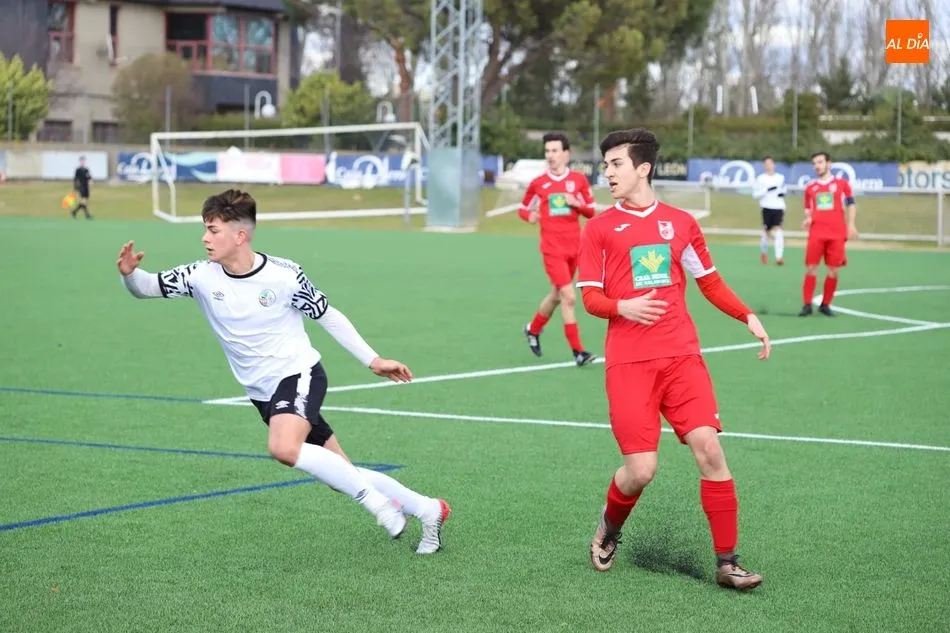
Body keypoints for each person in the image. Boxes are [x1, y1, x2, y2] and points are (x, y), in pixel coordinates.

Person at [115, 189, 450, 554]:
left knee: (282, 447)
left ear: (239, 235)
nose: (204, 238)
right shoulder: (199, 276)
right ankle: (428, 509)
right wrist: (130, 275)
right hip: (263, 395)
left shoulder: (283, 276)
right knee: (341, 473)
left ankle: (378, 504)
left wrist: (372, 360)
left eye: (213, 230)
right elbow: (147, 287)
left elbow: (328, 315)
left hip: (299, 376)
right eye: (205, 230)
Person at [576, 128, 770, 590]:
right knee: (641, 471)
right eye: (604, 166)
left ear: (643, 168)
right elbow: (589, 297)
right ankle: (611, 526)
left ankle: (728, 563)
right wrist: (623, 306)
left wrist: (748, 315)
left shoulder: (681, 223)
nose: (608, 173)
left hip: (681, 356)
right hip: (629, 363)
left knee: (709, 448)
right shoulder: (599, 227)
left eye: (616, 164)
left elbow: (710, 281)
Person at [519, 132, 597, 366]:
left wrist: (577, 203)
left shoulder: (579, 180)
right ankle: (578, 352)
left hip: (575, 247)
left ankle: (533, 329)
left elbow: (591, 210)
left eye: (555, 151)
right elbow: (522, 208)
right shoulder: (538, 183)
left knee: (556, 295)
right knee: (569, 296)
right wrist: (530, 215)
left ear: (566, 154)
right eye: (547, 151)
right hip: (551, 249)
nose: (550, 156)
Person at [798, 152, 859, 317]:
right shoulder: (810, 188)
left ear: (828, 164)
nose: (817, 166)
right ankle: (806, 304)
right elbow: (808, 208)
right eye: (814, 163)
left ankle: (825, 304)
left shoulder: (842, 184)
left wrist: (851, 224)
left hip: (837, 234)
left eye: (820, 162)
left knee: (833, 270)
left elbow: (851, 204)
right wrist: (808, 218)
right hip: (817, 233)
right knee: (811, 267)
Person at [752, 156, 786, 265]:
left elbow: (783, 190)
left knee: (779, 230)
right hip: (766, 207)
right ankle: (764, 252)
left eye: (770, 163)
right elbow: (755, 194)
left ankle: (779, 257)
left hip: (778, 207)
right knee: (766, 232)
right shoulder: (761, 178)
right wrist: (766, 190)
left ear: (774, 165)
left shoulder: (780, 177)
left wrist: (782, 193)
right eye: (766, 164)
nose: (768, 166)